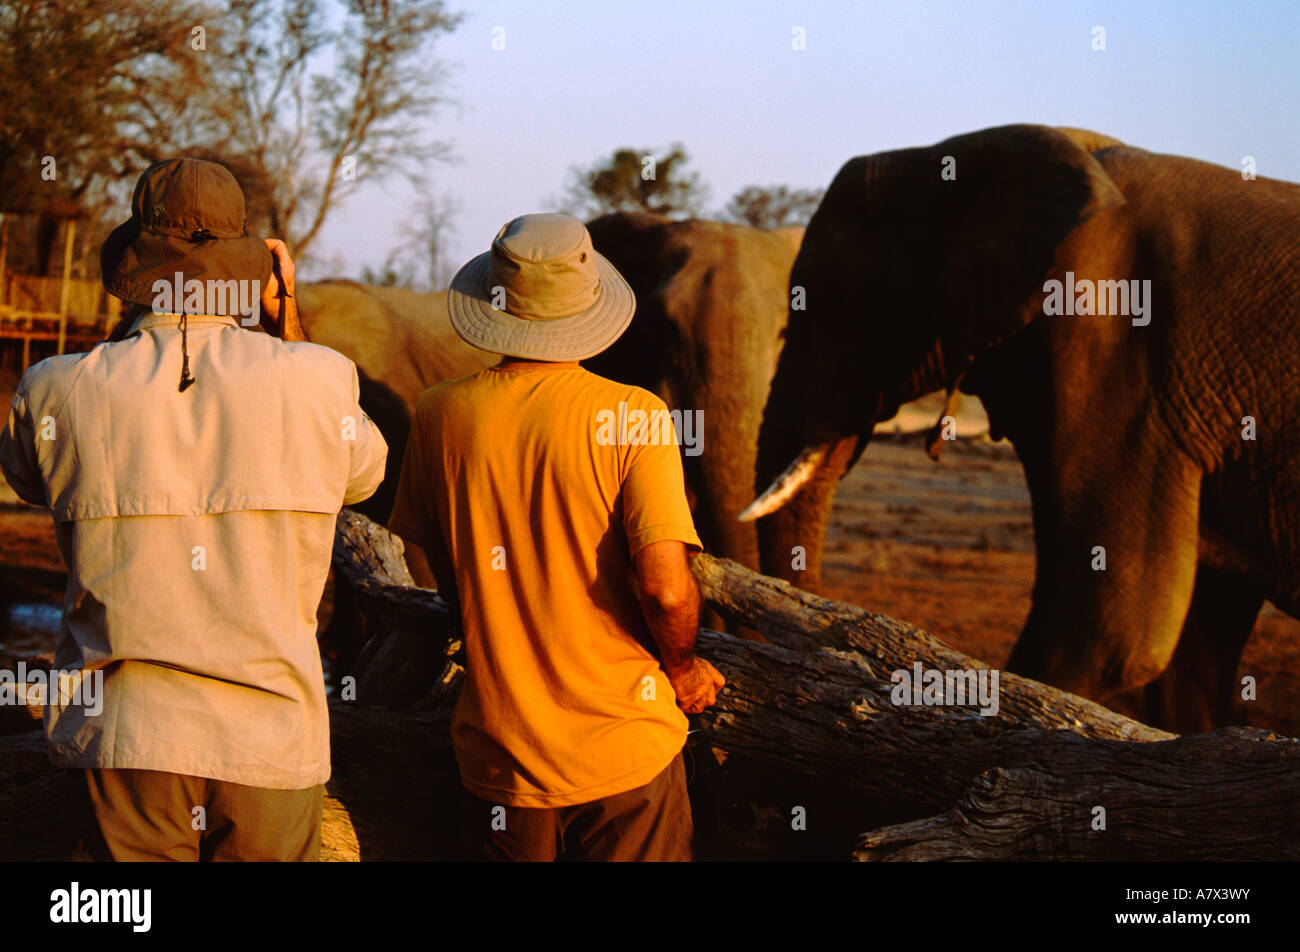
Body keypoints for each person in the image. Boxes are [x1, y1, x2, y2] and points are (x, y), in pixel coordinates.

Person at [0, 158, 388, 861]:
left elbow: (29, 477)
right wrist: (285, 320)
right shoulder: (318, 380)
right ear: (256, 269)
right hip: (270, 739)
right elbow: (360, 475)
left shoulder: (56, 389)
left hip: (126, 738)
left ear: (135, 259)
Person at [387, 212, 725, 862]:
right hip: (623, 752)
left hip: (498, 759)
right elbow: (665, 587)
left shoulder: (439, 412)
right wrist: (681, 671)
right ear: (590, 304)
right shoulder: (634, 416)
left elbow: (447, 570)